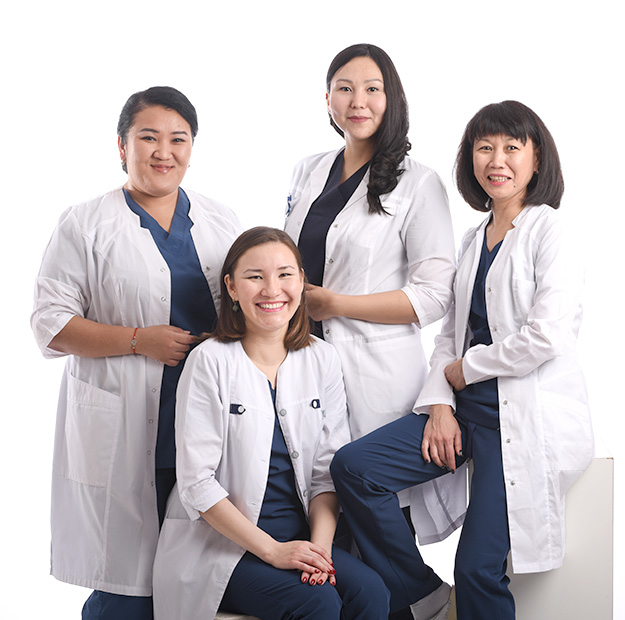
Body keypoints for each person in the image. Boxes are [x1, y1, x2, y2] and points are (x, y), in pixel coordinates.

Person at [330, 100, 594, 620]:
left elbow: (546, 335)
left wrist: (466, 371)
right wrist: (440, 404)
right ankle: (421, 594)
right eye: (484, 148)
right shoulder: (474, 240)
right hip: (465, 413)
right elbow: (448, 338)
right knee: (356, 468)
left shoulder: (549, 231)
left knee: (476, 568)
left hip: (519, 422)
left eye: (512, 148)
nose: (497, 160)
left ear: (537, 159)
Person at [31, 86, 241, 620]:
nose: (163, 152)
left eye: (178, 139)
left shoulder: (220, 220)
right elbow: (50, 325)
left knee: (196, 573)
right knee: (125, 587)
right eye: (148, 138)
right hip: (124, 417)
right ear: (122, 146)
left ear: (192, 148)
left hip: (203, 418)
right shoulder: (85, 223)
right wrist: (136, 340)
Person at [285, 42, 457, 619]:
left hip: (376, 373)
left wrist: (338, 304)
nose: (358, 101)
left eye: (372, 89)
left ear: (392, 98)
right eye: (345, 88)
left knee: (371, 510)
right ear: (327, 99)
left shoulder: (419, 183)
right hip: (306, 366)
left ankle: (422, 604)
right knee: (322, 512)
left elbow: (434, 295)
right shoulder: (309, 170)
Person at [152, 227, 390, 620]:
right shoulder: (210, 360)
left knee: (371, 593)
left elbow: (325, 473)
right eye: (255, 277)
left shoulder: (321, 358)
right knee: (317, 602)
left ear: (301, 281)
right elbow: (197, 483)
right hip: (223, 547)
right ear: (231, 287)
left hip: (299, 538)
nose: (272, 289)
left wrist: (321, 551)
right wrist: (274, 551)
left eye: (284, 274)